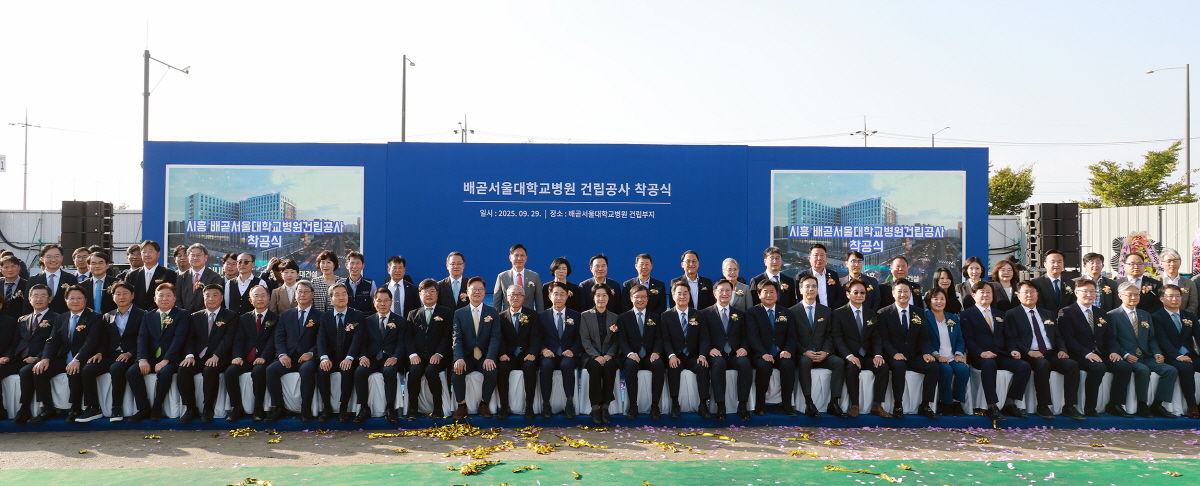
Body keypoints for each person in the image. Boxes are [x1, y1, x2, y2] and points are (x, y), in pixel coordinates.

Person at [1005, 280, 1085, 420]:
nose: (1030, 295)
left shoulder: (1047, 314)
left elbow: (1059, 336)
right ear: (1018, 295)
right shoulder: (1012, 314)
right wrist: (1028, 351)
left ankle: (1069, 406)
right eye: (1026, 292)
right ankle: (1043, 405)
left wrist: (1062, 349)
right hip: (1029, 353)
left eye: (1033, 292)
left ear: (1037, 295)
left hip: (1050, 352)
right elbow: (1012, 338)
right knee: (1043, 365)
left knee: (1072, 365)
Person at [1058, 278, 1134, 417]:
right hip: (1080, 354)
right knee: (1098, 368)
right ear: (1076, 292)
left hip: (1102, 352)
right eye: (1085, 291)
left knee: (1124, 367)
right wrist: (1086, 354)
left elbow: (1109, 336)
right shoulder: (1066, 312)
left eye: (1092, 291)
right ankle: (1089, 407)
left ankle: (1115, 404)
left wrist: (1114, 351)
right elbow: (1069, 338)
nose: (1089, 294)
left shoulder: (1101, 313)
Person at [27, 285, 103, 423]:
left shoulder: (94, 317)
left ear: (85, 300)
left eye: (79, 298)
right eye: (71, 298)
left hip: (83, 357)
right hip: (63, 357)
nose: (75, 301)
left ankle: (75, 409)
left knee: (74, 371)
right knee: (39, 371)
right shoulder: (61, 318)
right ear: (66, 300)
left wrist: (78, 359)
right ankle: (48, 409)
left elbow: (91, 342)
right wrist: (45, 359)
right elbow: (52, 341)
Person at [1108, 282, 1178, 418]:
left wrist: (1157, 353)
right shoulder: (1113, 315)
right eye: (1130, 295)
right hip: (1128, 357)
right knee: (1143, 370)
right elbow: (1112, 340)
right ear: (1120, 296)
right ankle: (1142, 405)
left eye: (1136, 294)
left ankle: (1157, 405)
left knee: (1170, 370)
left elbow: (1152, 338)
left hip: (1146, 356)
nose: (1133, 297)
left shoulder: (1145, 315)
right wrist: (1125, 354)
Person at [126, 283, 189, 422]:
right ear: (155, 299)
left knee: (165, 373)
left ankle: (156, 407)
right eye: (161, 296)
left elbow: (179, 339)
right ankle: (143, 408)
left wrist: (166, 360)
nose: (164, 299)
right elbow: (142, 338)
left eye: (168, 296)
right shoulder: (149, 315)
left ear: (174, 298)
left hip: (172, 357)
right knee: (132, 371)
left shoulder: (182, 314)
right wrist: (142, 359)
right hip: (151, 356)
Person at [176, 283, 239, 423]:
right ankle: (190, 408)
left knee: (210, 370)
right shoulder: (195, 316)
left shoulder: (231, 316)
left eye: (215, 295)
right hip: (199, 355)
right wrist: (190, 355)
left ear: (221, 298)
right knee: (183, 370)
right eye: (207, 295)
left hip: (220, 356)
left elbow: (228, 339)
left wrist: (216, 355)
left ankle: (208, 408)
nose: (211, 298)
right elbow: (190, 339)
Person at [877, 280, 940, 419]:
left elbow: (924, 337)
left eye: (906, 291)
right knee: (899, 367)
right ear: (893, 293)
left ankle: (925, 405)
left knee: (933, 367)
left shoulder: (919, 312)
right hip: (894, 355)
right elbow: (884, 339)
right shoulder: (884, 313)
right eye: (899, 291)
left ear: (910, 293)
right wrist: (894, 353)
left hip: (914, 355)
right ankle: (898, 404)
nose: (903, 294)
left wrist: (926, 353)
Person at [789, 274, 847, 418]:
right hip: (803, 355)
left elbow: (830, 335)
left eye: (814, 286)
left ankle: (834, 403)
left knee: (839, 362)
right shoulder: (792, 312)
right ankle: (809, 403)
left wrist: (826, 352)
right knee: (804, 361)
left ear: (818, 289)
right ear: (800, 290)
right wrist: (804, 352)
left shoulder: (826, 311)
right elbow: (791, 338)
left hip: (822, 353)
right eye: (807, 286)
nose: (811, 289)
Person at [832, 279, 890, 418]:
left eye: (862, 293)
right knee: (852, 367)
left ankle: (877, 405)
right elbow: (837, 338)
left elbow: (876, 338)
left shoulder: (871, 314)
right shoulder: (838, 313)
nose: (859, 295)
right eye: (855, 292)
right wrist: (848, 356)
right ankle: (854, 405)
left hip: (867, 355)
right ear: (848, 294)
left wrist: (878, 355)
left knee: (883, 367)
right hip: (849, 356)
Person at [265, 280, 322, 422]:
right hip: (289, 356)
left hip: (308, 357)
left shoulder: (320, 316)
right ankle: (279, 408)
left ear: (312, 294)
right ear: (295, 294)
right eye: (299, 291)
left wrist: (311, 353)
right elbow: (279, 337)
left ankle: (305, 408)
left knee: (308, 370)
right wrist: (282, 354)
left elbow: (322, 340)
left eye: (306, 292)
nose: (302, 294)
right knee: (271, 369)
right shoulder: (285, 315)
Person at [746, 279, 799, 417]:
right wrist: (763, 353)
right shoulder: (752, 312)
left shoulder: (786, 312)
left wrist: (787, 350)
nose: (769, 295)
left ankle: (787, 404)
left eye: (772, 292)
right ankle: (760, 404)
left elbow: (792, 336)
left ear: (777, 294)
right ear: (759, 294)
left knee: (789, 365)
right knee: (764, 367)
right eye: (765, 292)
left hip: (781, 352)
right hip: (761, 353)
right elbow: (753, 337)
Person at [353, 286, 405, 424]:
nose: (382, 304)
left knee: (389, 371)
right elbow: (362, 343)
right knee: (360, 371)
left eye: (386, 301)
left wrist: (395, 357)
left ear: (391, 302)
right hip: (371, 358)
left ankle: (390, 408)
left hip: (390, 358)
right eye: (379, 301)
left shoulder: (399, 321)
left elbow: (401, 343)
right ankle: (364, 408)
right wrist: (363, 356)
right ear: (374, 302)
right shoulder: (368, 321)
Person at [451, 276, 501, 420]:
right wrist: (459, 358)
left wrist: (490, 357)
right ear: (467, 292)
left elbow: (495, 337)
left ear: (485, 292)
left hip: (484, 356)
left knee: (492, 371)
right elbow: (457, 338)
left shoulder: (492, 312)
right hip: (467, 356)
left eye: (480, 289)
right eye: (474, 289)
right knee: (457, 371)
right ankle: (461, 405)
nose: (477, 292)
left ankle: (484, 404)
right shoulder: (459, 313)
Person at [703, 278, 753, 420]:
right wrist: (709, 349)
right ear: (714, 293)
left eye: (728, 290)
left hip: (735, 353)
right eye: (721, 290)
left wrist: (744, 348)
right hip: (716, 353)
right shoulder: (705, 314)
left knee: (745, 363)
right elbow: (703, 337)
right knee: (719, 364)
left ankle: (742, 405)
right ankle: (720, 406)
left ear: (732, 293)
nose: (725, 293)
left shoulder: (740, 314)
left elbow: (746, 336)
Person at [224, 285, 276, 422]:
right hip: (246, 358)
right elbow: (239, 339)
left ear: (268, 298)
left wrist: (264, 357)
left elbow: (273, 342)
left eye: (263, 295)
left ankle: (258, 409)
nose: (260, 299)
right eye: (256, 296)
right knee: (230, 372)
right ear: (250, 300)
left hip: (265, 358)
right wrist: (237, 356)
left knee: (259, 372)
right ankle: (237, 407)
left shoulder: (275, 318)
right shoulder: (243, 318)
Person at [404, 279, 454, 419]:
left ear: (437, 294)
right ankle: (413, 409)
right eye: (425, 292)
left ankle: (438, 408)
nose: (429, 295)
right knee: (414, 372)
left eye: (432, 291)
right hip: (418, 356)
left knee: (431, 371)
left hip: (438, 356)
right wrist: (412, 354)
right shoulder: (412, 314)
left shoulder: (446, 313)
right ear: (420, 294)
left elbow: (447, 336)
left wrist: (439, 354)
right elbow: (408, 337)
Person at [661, 280, 711, 418]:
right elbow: (665, 339)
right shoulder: (666, 316)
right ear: (673, 295)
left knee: (702, 367)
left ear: (689, 295)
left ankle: (703, 404)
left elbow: (704, 338)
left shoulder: (698, 314)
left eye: (685, 293)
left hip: (693, 355)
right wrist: (671, 355)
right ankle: (675, 404)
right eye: (679, 294)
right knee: (673, 368)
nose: (682, 296)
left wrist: (702, 355)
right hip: (676, 355)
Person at [315, 283, 364, 422]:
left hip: (348, 356)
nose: (341, 297)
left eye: (344, 294)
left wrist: (349, 358)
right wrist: (324, 358)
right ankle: (327, 407)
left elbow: (357, 339)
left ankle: (343, 408)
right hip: (331, 357)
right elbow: (321, 339)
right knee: (321, 371)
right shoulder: (325, 317)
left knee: (347, 371)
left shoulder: (357, 316)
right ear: (331, 299)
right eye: (337, 294)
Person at [1152, 284, 1200, 419]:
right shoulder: (1156, 317)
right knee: (1186, 368)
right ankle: (1192, 405)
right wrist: (1178, 356)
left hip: (1189, 354)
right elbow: (1162, 341)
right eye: (1171, 296)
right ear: (1162, 299)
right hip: (1169, 356)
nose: (1175, 299)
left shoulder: (1189, 316)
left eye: (1178, 296)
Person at [619, 283, 666, 420]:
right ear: (631, 298)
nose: (640, 300)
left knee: (659, 365)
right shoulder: (623, 318)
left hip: (650, 354)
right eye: (637, 297)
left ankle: (655, 405)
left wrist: (657, 352)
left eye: (643, 297)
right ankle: (633, 405)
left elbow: (659, 338)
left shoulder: (655, 317)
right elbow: (621, 340)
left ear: (647, 299)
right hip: (632, 355)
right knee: (631, 366)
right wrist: (629, 353)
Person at [11, 285, 56, 424]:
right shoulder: (22, 319)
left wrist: (39, 357)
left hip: (42, 358)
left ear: (50, 299)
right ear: (29, 299)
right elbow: (15, 342)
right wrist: (7, 356)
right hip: (21, 358)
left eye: (43, 296)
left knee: (26, 372)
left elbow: (54, 342)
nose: (39, 299)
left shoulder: (56, 318)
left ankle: (25, 409)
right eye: (35, 296)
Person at [538, 281, 582, 419]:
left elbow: (580, 338)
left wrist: (573, 351)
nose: (559, 297)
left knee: (567, 365)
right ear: (550, 296)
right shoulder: (541, 316)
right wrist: (543, 349)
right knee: (546, 366)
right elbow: (536, 337)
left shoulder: (576, 316)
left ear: (567, 296)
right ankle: (546, 403)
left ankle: (569, 402)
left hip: (568, 353)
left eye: (562, 294)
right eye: (555, 294)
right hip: (549, 354)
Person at [497, 283, 541, 420]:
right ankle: (504, 407)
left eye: (519, 295)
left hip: (527, 355)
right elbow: (498, 338)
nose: (515, 297)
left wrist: (533, 353)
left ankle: (529, 407)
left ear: (524, 298)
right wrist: (502, 354)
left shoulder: (532, 315)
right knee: (502, 368)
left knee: (530, 368)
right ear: (507, 297)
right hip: (508, 356)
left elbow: (536, 336)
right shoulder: (500, 317)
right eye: (512, 295)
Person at [924, 286, 969, 417]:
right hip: (936, 357)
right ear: (929, 301)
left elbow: (960, 339)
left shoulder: (953, 318)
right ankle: (945, 402)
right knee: (946, 370)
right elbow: (924, 340)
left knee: (963, 370)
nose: (939, 302)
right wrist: (936, 355)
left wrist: (959, 354)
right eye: (935, 299)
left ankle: (956, 402)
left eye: (942, 299)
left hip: (952, 356)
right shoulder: (925, 318)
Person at [580, 284, 620, 424]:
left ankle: (605, 406)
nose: (601, 298)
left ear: (608, 298)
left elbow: (616, 341)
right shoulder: (585, 316)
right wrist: (596, 356)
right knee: (595, 367)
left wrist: (609, 355)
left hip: (609, 355)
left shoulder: (615, 317)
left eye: (604, 295)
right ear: (593, 297)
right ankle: (595, 407)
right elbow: (585, 340)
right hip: (591, 355)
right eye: (598, 295)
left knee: (610, 366)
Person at [127, 240, 177, 312]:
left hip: (159, 314)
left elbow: (172, 295)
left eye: (150, 251)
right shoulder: (131, 275)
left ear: (158, 254)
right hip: (136, 315)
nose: (147, 254)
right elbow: (128, 295)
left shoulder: (169, 274)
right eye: (144, 252)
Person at [28, 244, 78, 314]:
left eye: (57, 256)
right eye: (49, 256)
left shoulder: (70, 278)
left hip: (63, 319)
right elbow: (27, 305)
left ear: (62, 258)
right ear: (42, 259)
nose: (53, 259)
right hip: (40, 320)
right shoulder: (33, 279)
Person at [494, 244, 544, 312]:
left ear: (526, 258)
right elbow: (497, 302)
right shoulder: (502, 277)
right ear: (510, 258)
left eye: (522, 255)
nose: (519, 258)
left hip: (529, 317)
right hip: (508, 319)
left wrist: (539, 319)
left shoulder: (534, 276)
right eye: (516, 255)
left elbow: (539, 301)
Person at [796, 244, 846, 310]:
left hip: (832, 314)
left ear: (826, 257)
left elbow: (839, 296)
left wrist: (832, 311)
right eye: (816, 255)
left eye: (822, 255)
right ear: (809, 258)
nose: (819, 258)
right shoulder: (802, 276)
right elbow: (801, 298)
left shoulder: (833, 274)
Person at [0, 288, 23, 421]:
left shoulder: (9, 321)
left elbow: (10, 343)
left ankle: (1, 411)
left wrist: (6, 357)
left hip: (8, 360)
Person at [179, 244, 222, 313]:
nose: (195, 258)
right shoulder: (181, 276)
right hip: (184, 317)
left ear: (206, 257)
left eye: (198, 255)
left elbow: (214, 299)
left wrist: (198, 315)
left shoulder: (214, 277)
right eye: (192, 255)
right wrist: (183, 314)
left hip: (204, 317)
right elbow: (178, 299)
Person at [1031, 250, 1076, 316]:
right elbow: (1038, 305)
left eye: (1059, 262)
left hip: (1066, 320)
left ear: (1063, 264)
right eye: (1053, 262)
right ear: (1045, 264)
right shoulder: (1036, 283)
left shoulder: (1070, 283)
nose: (1056, 264)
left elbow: (1073, 304)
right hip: (1046, 320)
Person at [1159, 249, 1198, 315]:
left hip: (1184, 319)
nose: (1172, 264)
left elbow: (1193, 304)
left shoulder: (1189, 283)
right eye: (1169, 261)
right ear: (1161, 263)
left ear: (1180, 262)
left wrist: (1183, 317)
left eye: (1175, 260)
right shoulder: (1155, 282)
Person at [1, 255, 29, 320]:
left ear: (19, 267)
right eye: (6, 267)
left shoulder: (27, 284)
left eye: (13, 266)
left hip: (20, 323)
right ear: (1, 269)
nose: (10, 270)